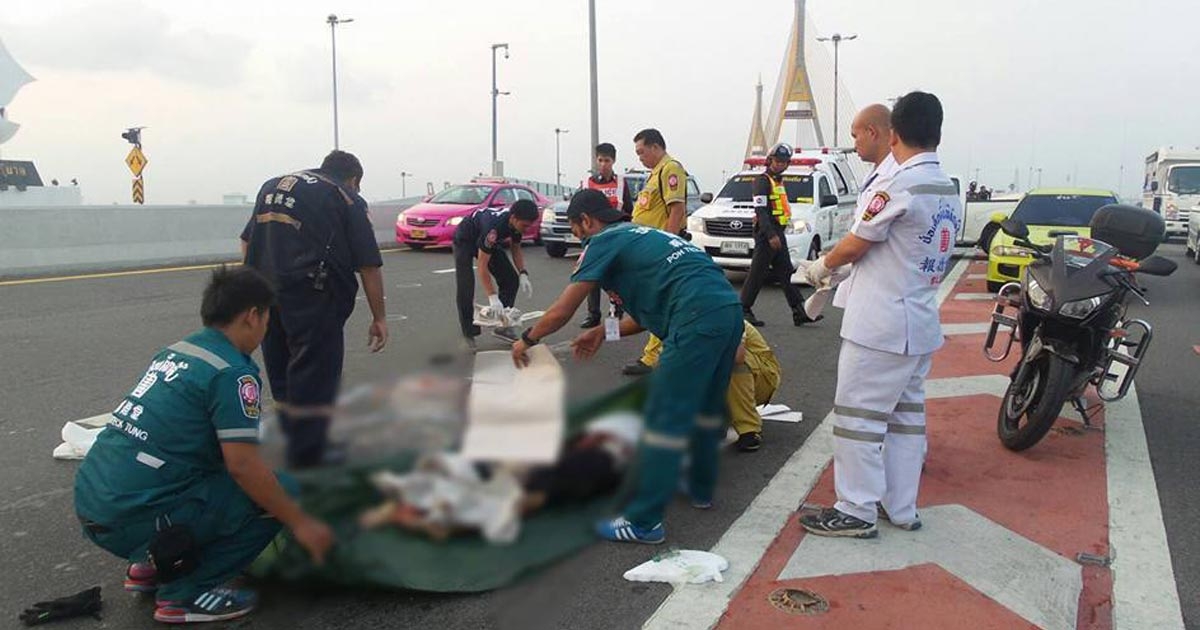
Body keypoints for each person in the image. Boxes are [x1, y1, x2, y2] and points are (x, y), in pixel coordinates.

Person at [74, 267, 335, 624]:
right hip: (131, 515)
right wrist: (300, 522)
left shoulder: (176, 353)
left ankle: (151, 566)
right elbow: (244, 468)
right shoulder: (232, 372)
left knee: (197, 468)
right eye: (267, 318)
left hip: (94, 501)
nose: (266, 328)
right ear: (252, 316)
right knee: (279, 492)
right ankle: (184, 594)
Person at [510, 188, 743, 544]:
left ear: (586, 220)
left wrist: (527, 339)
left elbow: (563, 310)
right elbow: (649, 311)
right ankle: (701, 488)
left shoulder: (603, 241)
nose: (577, 238)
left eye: (575, 229)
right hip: (726, 310)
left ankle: (644, 521)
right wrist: (603, 332)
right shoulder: (643, 235)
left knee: (662, 417)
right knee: (707, 407)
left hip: (694, 318)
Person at [799, 91, 961, 538]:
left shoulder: (900, 185)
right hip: (919, 320)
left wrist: (821, 266)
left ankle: (856, 509)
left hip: (880, 325)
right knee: (906, 421)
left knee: (858, 421)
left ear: (894, 134)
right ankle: (900, 506)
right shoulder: (947, 188)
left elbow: (857, 242)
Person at [241, 150, 388, 469]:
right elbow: (368, 265)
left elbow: (247, 242)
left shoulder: (273, 185)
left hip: (266, 293)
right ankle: (309, 457)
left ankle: (290, 441)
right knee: (315, 377)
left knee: (280, 369)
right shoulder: (345, 197)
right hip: (315, 299)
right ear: (353, 179)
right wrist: (379, 317)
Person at [621, 128, 690, 377]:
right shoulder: (656, 173)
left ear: (655, 147)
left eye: (641, 152)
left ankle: (653, 357)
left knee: (657, 301)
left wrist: (667, 245)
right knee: (659, 301)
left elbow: (676, 209)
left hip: (661, 249)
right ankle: (663, 353)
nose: (640, 157)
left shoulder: (670, 169)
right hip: (650, 248)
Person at [739, 142, 819, 327]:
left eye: (784, 162)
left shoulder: (778, 181)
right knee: (757, 272)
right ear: (770, 160)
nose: (781, 164)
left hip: (778, 231)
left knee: (786, 272)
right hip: (767, 233)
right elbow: (761, 211)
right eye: (778, 161)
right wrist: (770, 235)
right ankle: (743, 309)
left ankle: (799, 311)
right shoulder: (762, 181)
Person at [452, 198, 538, 347]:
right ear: (513, 218)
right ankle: (469, 333)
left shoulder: (516, 225)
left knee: (511, 280)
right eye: (525, 225)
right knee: (466, 286)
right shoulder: (493, 228)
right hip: (465, 239)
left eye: (529, 226)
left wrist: (523, 273)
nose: (526, 229)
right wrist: (492, 297)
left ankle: (502, 325)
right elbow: (482, 265)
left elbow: (516, 248)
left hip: (487, 241)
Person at [580, 142, 634, 329]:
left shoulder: (620, 183)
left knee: (615, 275)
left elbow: (628, 209)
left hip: (615, 236)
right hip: (593, 237)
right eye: (600, 160)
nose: (603, 164)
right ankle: (593, 314)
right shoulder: (587, 183)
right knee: (592, 276)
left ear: (614, 161)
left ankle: (616, 311)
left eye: (607, 161)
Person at [726, 321, 782, 452]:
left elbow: (738, 356)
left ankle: (748, 428)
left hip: (762, 377)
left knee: (733, 362)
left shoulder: (728, 316)